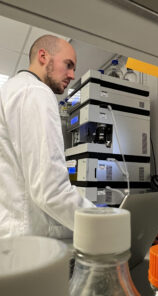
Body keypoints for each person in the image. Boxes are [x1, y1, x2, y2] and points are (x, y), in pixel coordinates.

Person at [0, 34, 95, 239]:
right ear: (43, 56)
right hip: (27, 243)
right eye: (68, 65)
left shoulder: (11, 89)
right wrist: (112, 223)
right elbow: (52, 191)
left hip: (13, 235)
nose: (71, 75)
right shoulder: (35, 91)